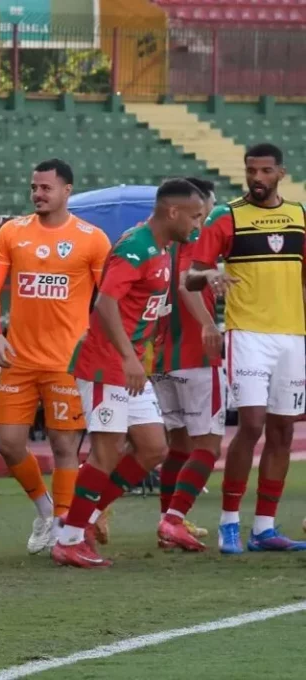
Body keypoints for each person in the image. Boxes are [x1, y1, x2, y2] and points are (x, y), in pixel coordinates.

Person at [52, 178, 207, 568]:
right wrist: (128, 357)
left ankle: (84, 520)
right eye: (194, 216)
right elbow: (104, 305)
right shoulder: (135, 248)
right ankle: (69, 539)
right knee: (106, 451)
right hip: (105, 364)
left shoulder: (161, 248)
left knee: (153, 448)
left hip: (129, 366)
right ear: (172, 211)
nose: (197, 225)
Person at [0, 159, 111, 553]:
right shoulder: (12, 232)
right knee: (8, 444)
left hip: (67, 362)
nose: (38, 194)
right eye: (34, 187)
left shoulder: (92, 239)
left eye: (46, 188)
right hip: (17, 358)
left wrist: (98, 341)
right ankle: (46, 510)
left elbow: (109, 298)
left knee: (64, 447)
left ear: (67, 190)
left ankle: (64, 530)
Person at [186, 143, 306, 554]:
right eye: (251, 170)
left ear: (281, 173)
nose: (257, 178)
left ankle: (264, 528)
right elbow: (191, 276)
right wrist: (211, 275)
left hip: (292, 336)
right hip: (248, 334)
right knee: (252, 424)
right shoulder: (226, 216)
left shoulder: (300, 217)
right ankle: (229, 523)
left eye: (265, 171)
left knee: (283, 429)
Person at [150, 177, 223, 549]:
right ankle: (174, 519)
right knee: (208, 446)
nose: (205, 215)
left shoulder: (158, 240)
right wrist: (210, 324)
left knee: (178, 445)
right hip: (196, 353)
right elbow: (185, 284)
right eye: (206, 207)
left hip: (161, 355)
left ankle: (169, 522)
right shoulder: (199, 238)